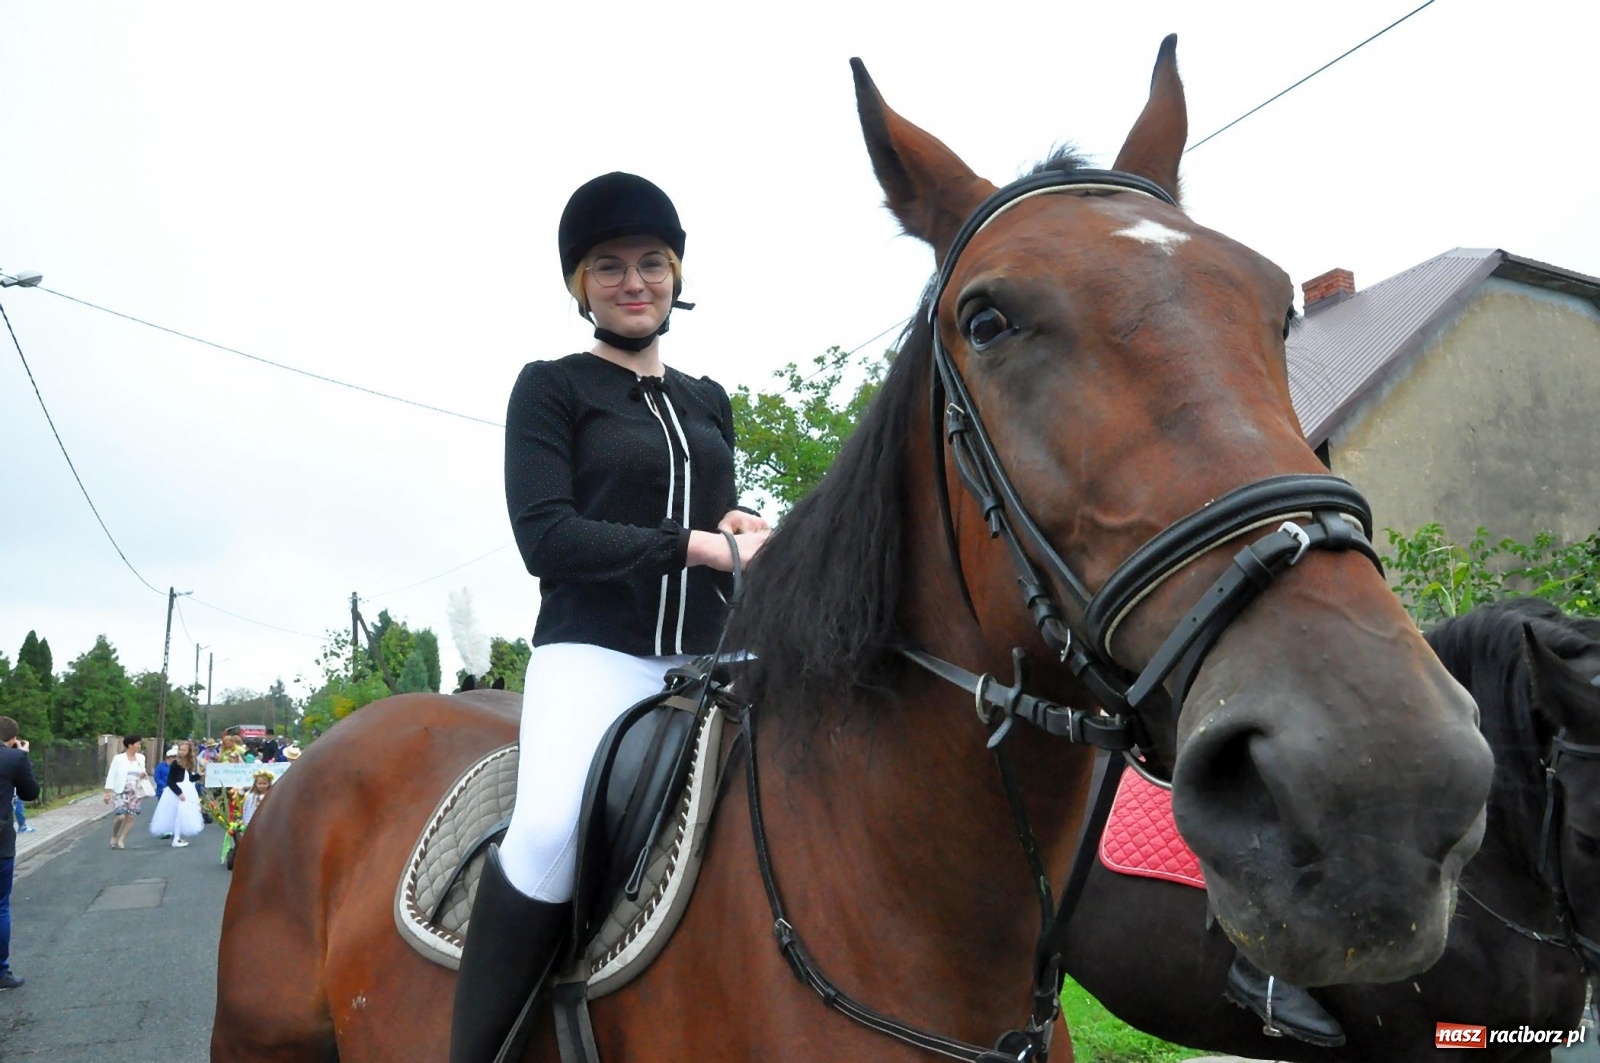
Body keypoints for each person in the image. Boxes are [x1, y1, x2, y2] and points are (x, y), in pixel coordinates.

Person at [450, 172, 769, 1063]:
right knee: (549, 833)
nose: (635, 282)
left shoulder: (708, 399)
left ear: (676, 273)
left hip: (715, 654)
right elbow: (547, 536)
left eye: (652, 262)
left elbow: (713, 513)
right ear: (579, 284)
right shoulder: (551, 388)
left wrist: (739, 522)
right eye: (609, 266)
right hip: (595, 652)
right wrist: (698, 546)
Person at [0, 716, 40, 991]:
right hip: (1, 841)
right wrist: (24, 756)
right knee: (0, 906)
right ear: (13, 738)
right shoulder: (14, 758)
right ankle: (1, 972)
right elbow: (30, 792)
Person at [148, 741, 204, 848]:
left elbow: (189, 778)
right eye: (180, 749)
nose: (181, 752)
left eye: (184, 750)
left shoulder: (188, 763)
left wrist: (199, 775)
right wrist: (179, 793)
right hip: (177, 791)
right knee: (177, 814)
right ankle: (176, 839)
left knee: (182, 815)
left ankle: (177, 836)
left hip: (187, 789)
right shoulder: (175, 763)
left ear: (188, 751)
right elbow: (170, 781)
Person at [102, 735, 150, 849]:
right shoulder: (118, 758)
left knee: (130, 817)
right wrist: (107, 792)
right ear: (130, 745)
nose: (139, 746)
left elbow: (143, 771)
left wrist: (143, 774)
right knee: (121, 816)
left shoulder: (141, 758)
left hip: (135, 791)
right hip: (121, 790)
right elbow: (112, 774)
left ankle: (122, 839)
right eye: (137, 744)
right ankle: (114, 835)